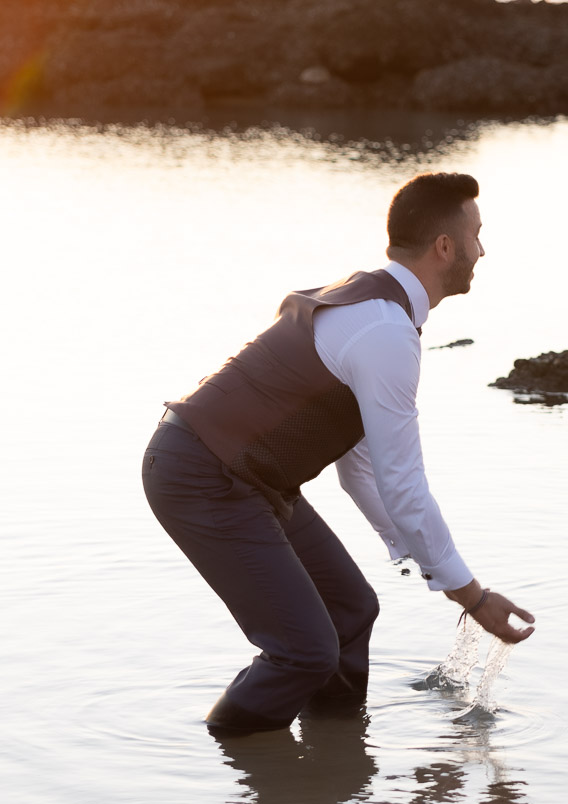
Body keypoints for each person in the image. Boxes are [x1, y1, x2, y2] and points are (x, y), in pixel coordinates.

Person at [143, 172, 535, 734]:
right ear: (444, 247)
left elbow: (363, 473)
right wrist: (471, 596)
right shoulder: (385, 332)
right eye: (476, 235)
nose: (482, 250)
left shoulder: (377, 308)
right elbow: (403, 484)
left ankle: (337, 760)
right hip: (202, 474)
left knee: (351, 610)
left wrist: (423, 559)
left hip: (246, 480)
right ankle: (234, 765)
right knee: (303, 651)